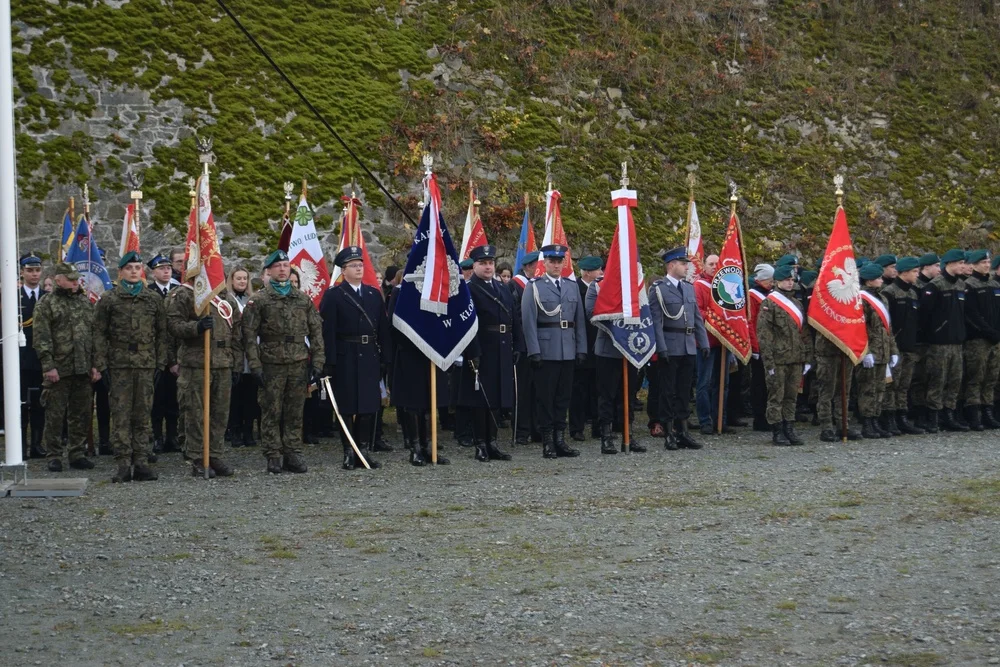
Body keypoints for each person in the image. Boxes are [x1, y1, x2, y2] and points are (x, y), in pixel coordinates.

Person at [243, 249, 324, 474]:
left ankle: (293, 452)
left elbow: (316, 330)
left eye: (286, 266)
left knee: (295, 410)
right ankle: (273, 453)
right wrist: (255, 365)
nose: (282, 269)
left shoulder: (302, 298)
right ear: (268, 271)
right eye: (277, 266)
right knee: (271, 409)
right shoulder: (259, 299)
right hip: (271, 362)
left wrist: (318, 361)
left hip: (298, 361)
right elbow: (248, 335)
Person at [93, 252, 167, 482]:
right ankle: (124, 462)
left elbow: (162, 333)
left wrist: (160, 362)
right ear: (121, 271)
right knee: (121, 414)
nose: (134, 271)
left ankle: (142, 462)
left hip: (146, 363)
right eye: (130, 268)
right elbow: (98, 333)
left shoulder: (152, 299)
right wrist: (101, 364)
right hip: (119, 363)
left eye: (137, 267)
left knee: (143, 413)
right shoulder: (110, 298)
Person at [167, 265, 242, 478]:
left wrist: (235, 362)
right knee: (195, 412)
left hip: (222, 362)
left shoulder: (225, 298)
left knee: (219, 413)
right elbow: (173, 325)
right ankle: (198, 457)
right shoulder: (184, 294)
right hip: (196, 362)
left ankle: (215, 454)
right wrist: (196, 327)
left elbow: (236, 330)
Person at [320, 246, 390, 470]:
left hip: (369, 355)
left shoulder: (372, 294)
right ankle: (349, 452)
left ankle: (364, 451)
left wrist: (384, 358)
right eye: (353, 265)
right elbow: (327, 331)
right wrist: (329, 362)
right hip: (346, 356)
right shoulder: (334, 295)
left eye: (361, 265)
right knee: (348, 407)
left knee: (369, 407)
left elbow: (383, 329)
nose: (359, 268)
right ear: (343, 270)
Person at [456, 245, 523, 462]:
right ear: (474, 265)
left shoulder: (502, 287)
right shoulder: (468, 289)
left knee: (496, 398)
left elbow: (514, 317)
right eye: (483, 263)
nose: (488, 266)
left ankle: (493, 442)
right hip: (481, 347)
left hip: (502, 346)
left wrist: (517, 345)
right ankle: (480, 444)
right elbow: (466, 323)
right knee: (480, 399)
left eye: (490, 263)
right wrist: (473, 352)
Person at [32, 262, 99, 472]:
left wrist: (96, 364)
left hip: (83, 367)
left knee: (81, 413)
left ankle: (77, 452)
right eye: (69, 278)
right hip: (59, 368)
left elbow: (94, 335)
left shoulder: (85, 302)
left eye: (75, 278)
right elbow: (41, 337)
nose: (74, 282)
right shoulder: (47, 303)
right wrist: (48, 365)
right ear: (58, 279)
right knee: (55, 414)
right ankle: (53, 454)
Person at [520, 244, 586, 458]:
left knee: (563, 397)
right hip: (546, 349)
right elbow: (528, 322)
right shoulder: (535, 287)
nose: (556, 265)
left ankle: (560, 439)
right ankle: (547, 441)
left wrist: (581, 348)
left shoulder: (571, 286)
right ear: (545, 263)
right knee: (545, 398)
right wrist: (533, 351)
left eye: (559, 261)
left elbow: (579, 321)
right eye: (552, 261)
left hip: (567, 348)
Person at [649, 247, 710, 450]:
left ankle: (683, 432)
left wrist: (704, 342)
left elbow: (697, 319)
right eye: (683, 264)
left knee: (684, 391)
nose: (687, 267)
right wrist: (661, 347)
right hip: (670, 344)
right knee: (667, 391)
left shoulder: (688, 288)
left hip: (688, 345)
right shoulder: (658, 289)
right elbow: (656, 321)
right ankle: (668, 433)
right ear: (671, 265)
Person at [584, 276, 646, 454]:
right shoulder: (598, 286)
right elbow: (591, 313)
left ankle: (628, 435)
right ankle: (606, 436)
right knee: (606, 396)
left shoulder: (633, 284)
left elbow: (643, 310)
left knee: (628, 395)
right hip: (608, 349)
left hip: (631, 347)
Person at [756, 264, 812, 445]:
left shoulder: (796, 303)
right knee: (776, 396)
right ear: (777, 281)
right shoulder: (769, 303)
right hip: (778, 359)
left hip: (796, 357)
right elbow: (764, 335)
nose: (790, 283)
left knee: (791, 396)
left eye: (791, 280)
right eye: (786, 280)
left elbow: (803, 332)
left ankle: (789, 427)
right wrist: (769, 362)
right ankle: (777, 430)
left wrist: (807, 356)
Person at [920, 249, 969, 432]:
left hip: (957, 341)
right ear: (949, 264)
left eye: (963, 262)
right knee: (937, 380)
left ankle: (949, 414)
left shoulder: (961, 286)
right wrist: (935, 332)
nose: (963, 266)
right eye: (959, 263)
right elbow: (925, 315)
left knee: (955, 379)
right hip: (939, 343)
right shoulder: (935, 286)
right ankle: (933, 416)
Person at [881, 256, 925, 435]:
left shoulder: (913, 293)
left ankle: (902, 417)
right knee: (891, 385)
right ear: (905, 272)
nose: (917, 275)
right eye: (914, 272)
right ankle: (888, 418)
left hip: (909, 346)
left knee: (904, 385)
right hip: (895, 346)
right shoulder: (889, 293)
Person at [856, 262, 898, 439]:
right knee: (868, 388)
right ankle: (867, 422)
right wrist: (866, 352)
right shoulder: (861, 299)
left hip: (884, 349)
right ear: (869, 281)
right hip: (871, 351)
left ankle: (875, 420)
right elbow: (859, 328)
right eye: (878, 278)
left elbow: (887, 327)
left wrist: (893, 350)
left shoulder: (882, 298)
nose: (881, 280)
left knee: (880, 388)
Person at [693, 253, 734, 434]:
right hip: (706, 341)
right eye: (710, 264)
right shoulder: (699, 286)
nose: (713, 267)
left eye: (717, 264)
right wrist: (715, 319)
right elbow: (697, 311)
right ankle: (705, 421)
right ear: (703, 265)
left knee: (722, 383)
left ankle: (720, 419)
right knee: (704, 383)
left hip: (723, 341)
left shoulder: (724, 285)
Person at [960, 249, 1000, 430]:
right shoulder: (969, 285)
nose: (987, 265)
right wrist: (988, 331)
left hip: (994, 338)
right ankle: (974, 413)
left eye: (988, 262)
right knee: (976, 376)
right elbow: (971, 314)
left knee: (991, 377)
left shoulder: (993, 284)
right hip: (978, 340)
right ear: (974, 265)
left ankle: (987, 411)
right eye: (983, 262)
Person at [147, 254, 180, 457]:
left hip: (176, 354)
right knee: (157, 400)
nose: (166, 271)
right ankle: (157, 437)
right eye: (161, 269)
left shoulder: (178, 292)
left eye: (168, 268)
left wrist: (175, 359)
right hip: (155, 355)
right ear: (153, 272)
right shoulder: (149, 293)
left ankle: (173, 437)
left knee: (174, 400)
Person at [569, 255, 603, 441]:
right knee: (579, 390)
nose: (601, 273)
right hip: (582, 345)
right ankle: (577, 428)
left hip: (599, 344)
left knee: (598, 389)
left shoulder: (601, 288)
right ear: (588, 273)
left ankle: (598, 426)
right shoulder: (574, 288)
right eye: (598, 270)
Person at [18, 252, 47, 459]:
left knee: (39, 403)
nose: (34, 274)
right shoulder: (14, 298)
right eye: (30, 271)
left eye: (37, 270)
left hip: (42, 358)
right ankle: (20, 445)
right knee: (20, 404)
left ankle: (37, 444)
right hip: (19, 358)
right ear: (22, 272)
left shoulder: (47, 298)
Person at [510, 251, 540, 445]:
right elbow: (515, 316)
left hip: (541, 344)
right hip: (523, 344)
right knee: (522, 390)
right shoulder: (515, 286)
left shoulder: (540, 285)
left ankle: (538, 429)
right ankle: (521, 430)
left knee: (539, 390)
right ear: (528, 266)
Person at [909, 252, 941, 428]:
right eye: (936, 266)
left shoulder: (935, 286)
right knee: (918, 378)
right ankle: (918, 412)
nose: (939, 269)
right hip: (918, 340)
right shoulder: (917, 287)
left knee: (932, 376)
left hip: (932, 338)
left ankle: (930, 413)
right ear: (926, 267)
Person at [227, 267, 257, 447]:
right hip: (235, 352)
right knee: (235, 396)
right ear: (231, 280)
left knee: (250, 396)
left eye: (245, 278)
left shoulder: (253, 300)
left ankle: (248, 431)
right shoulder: (227, 300)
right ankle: (235, 431)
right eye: (238, 278)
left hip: (251, 353)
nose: (242, 281)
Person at [747, 263, 774, 432]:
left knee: (769, 383)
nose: (772, 283)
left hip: (771, 346)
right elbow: (750, 322)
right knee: (759, 384)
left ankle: (768, 415)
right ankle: (759, 418)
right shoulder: (753, 296)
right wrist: (755, 347)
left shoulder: (769, 294)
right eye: (770, 280)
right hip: (760, 345)